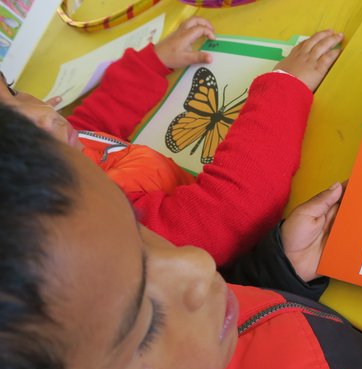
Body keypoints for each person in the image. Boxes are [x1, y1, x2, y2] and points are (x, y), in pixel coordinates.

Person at [0, 104, 362, 369]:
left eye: (136, 230)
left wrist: (281, 271)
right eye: (146, 321)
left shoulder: (191, 329)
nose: (198, 264)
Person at [0, 17, 344, 268]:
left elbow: (90, 125)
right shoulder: (97, 225)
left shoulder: (62, 150)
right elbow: (228, 212)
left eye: (12, 90)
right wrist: (285, 86)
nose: (42, 113)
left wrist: (152, 63)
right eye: (9, 131)